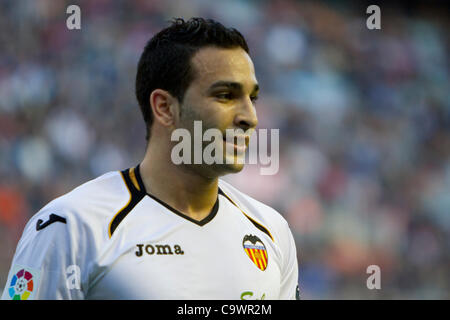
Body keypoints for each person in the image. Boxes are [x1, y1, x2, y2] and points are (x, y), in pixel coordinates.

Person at [1, 17, 299, 300]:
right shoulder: (71, 226)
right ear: (165, 107)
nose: (250, 117)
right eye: (225, 95)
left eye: (252, 97)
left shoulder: (271, 231)